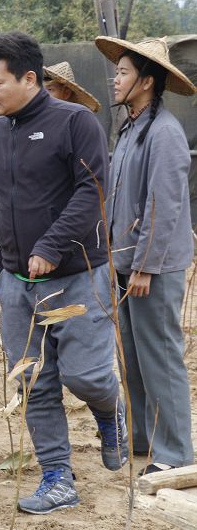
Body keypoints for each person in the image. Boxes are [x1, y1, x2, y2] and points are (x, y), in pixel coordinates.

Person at [0, 32, 126, 515]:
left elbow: (92, 191)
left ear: (29, 78)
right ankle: (57, 477)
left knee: (86, 376)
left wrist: (50, 246)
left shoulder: (75, 122)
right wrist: (6, 266)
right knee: (34, 382)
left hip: (78, 276)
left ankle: (110, 410)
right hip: (19, 284)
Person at [96, 35, 196, 476]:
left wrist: (145, 266)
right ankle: (141, 436)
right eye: (115, 71)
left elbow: (164, 205)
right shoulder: (133, 127)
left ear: (147, 81)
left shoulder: (165, 132)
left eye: (123, 72)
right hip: (126, 263)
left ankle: (175, 453)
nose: (114, 79)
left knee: (159, 355)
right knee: (132, 356)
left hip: (151, 268)